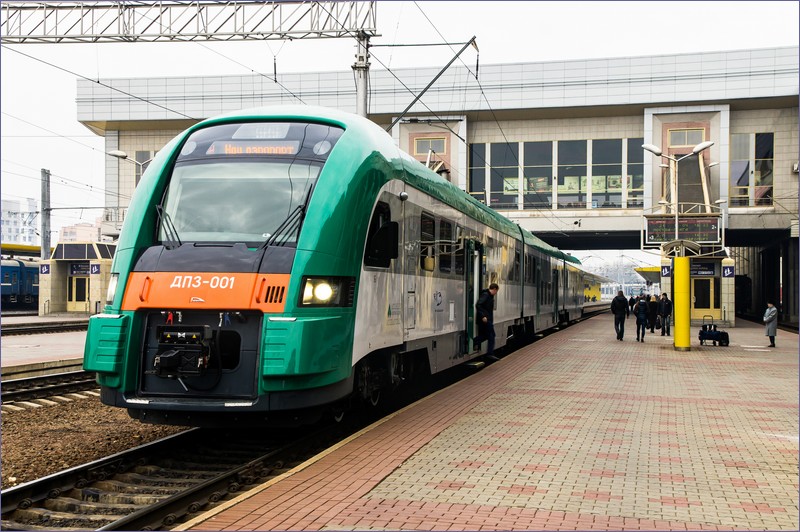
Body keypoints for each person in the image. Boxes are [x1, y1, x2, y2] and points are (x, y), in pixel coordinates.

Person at [474, 283, 500, 361]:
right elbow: (478, 305)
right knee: (491, 335)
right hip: (485, 320)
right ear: (494, 289)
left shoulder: (489, 296)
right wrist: (483, 316)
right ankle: (489, 353)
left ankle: (474, 342)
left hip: (487, 319)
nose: (496, 293)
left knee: (487, 335)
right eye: (496, 291)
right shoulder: (486, 295)